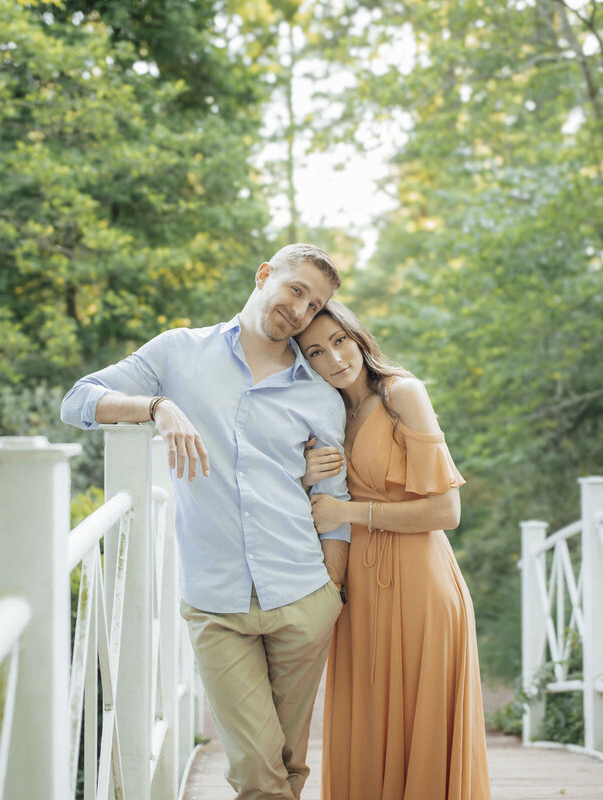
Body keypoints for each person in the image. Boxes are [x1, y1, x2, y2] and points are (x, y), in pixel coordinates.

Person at [60, 244, 352, 800]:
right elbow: (78, 400)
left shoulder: (318, 392)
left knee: (289, 764)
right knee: (254, 771)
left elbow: (334, 502)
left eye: (314, 306)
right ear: (264, 274)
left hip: (302, 594)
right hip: (217, 604)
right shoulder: (179, 353)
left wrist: (331, 593)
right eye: (296, 290)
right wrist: (157, 409)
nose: (300, 311)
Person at [296, 301, 491, 800]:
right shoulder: (329, 412)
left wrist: (352, 514)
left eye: (340, 340)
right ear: (305, 362)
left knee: (419, 727)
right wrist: (307, 478)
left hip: (419, 585)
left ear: (359, 337)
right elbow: (312, 507)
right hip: (358, 589)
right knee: (367, 721)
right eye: (316, 351)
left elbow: (447, 512)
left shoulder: (403, 394)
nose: (335, 358)